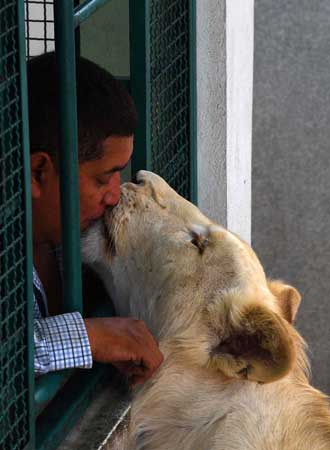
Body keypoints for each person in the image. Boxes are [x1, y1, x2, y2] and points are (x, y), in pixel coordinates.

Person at [28, 52, 163, 385]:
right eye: (104, 178)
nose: (115, 196)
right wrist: (90, 338)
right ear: (39, 171)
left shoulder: (74, 239)